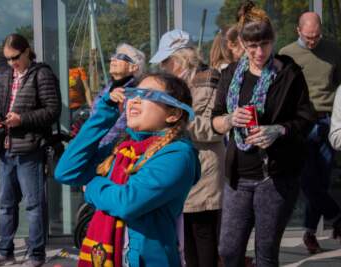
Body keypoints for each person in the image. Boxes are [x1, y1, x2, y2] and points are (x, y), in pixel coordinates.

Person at [54, 72, 201, 267]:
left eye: (148, 95)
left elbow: (127, 202)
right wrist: (106, 112)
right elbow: (66, 171)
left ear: (173, 114)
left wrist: (90, 187)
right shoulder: (123, 146)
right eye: (134, 94)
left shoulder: (178, 154)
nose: (135, 100)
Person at [211, 2, 316, 266]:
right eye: (252, 46)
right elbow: (215, 120)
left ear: (274, 41)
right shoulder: (232, 75)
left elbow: (306, 118)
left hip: (275, 175)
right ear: (243, 45)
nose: (259, 52)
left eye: (265, 44)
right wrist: (230, 120)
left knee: (266, 252)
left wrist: (278, 130)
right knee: (228, 249)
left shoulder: (288, 73)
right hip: (239, 175)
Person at [0, 34, 61, 267]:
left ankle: (36, 254)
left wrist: (22, 119)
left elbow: (52, 110)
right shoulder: (8, 75)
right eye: (7, 59)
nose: (11, 63)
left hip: (30, 148)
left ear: (27, 51)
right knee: (5, 203)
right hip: (6, 148)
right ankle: (5, 250)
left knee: (33, 204)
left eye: (15, 57)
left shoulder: (42, 74)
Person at [150, 29, 224, 267]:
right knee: (185, 243)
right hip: (180, 169)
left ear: (181, 56)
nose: (163, 66)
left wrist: (176, 118)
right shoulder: (174, 85)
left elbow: (214, 127)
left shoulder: (209, 78)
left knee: (203, 238)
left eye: (166, 60)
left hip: (204, 169)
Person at [279, 11, 341, 254]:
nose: (313, 41)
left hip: (327, 120)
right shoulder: (287, 53)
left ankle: (310, 233)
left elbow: (338, 83)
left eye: (317, 36)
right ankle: (337, 216)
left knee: (322, 180)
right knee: (307, 180)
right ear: (298, 31)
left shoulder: (334, 50)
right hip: (301, 124)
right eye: (308, 37)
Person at [90, 43, 145, 146]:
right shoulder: (108, 88)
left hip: (111, 150)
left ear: (133, 67)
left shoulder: (134, 94)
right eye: (114, 55)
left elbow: (119, 130)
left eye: (121, 56)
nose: (113, 59)